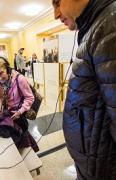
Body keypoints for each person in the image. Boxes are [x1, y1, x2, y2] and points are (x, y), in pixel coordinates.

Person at [52, 0, 116, 179]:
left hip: (101, 168)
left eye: (57, 3)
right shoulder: (96, 28)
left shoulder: (108, 27)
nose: (56, 14)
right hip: (92, 162)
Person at [0, 56, 39, 152]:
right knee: (11, 145)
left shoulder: (19, 79)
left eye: (1, 73)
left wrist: (20, 111)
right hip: (7, 115)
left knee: (23, 146)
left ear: (6, 68)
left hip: (19, 116)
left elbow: (30, 97)